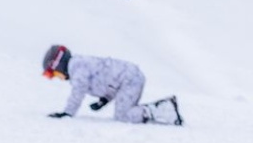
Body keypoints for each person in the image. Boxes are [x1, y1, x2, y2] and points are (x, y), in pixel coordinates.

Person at [42, 44, 182, 124]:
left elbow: (77, 93)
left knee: (123, 116)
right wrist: (104, 101)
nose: (57, 78)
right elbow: (107, 81)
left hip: (130, 80)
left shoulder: (77, 68)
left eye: (54, 74)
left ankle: (163, 109)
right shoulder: (79, 65)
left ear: (59, 65)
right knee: (123, 114)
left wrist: (67, 113)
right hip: (129, 78)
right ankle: (161, 109)